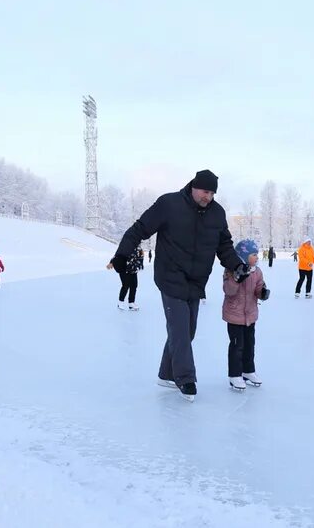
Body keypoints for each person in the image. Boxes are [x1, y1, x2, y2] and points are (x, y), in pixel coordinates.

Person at [111, 169, 246, 402]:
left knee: (186, 329)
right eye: (205, 191)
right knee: (181, 329)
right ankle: (185, 378)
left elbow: (224, 245)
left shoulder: (216, 213)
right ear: (194, 186)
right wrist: (122, 255)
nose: (208, 197)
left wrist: (236, 265)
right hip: (170, 276)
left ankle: (167, 373)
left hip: (195, 280)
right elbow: (139, 229)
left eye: (212, 193)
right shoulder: (169, 204)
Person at [222, 239, 270, 391]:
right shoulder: (231, 270)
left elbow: (258, 287)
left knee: (249, 345)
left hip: (250, 315)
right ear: (244, 255)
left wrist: (262, 293)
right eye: (253, 254)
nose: (257, 257)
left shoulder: (257, 271)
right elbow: (228, 291)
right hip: (235, 315)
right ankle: (234, 375)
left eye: (257, 254)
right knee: (237, 346)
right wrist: (237, 278)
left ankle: (248, 371)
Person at [107, 246, 142, 310]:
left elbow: (140, 257)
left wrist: (140, 265)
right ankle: (121, 302)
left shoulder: (139, 248)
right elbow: (117, 255)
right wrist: (111, 262)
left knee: (134, 286)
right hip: (124, 268)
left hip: (133, 269)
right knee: (126, 285)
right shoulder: (127, 244)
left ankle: (131, 303)